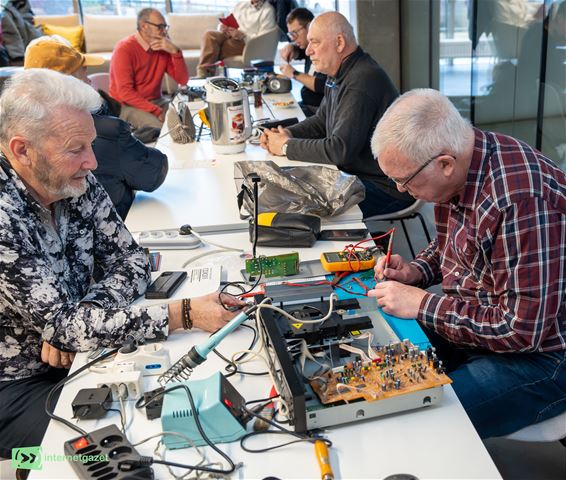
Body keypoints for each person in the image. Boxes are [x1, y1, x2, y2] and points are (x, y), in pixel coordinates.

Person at [0, 69, 244, 458]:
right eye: (76, 149)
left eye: (91, 145)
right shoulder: (4, 216)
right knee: (106, 455)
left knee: (164, 420)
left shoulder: (68, 176)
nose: (92, 162)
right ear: (22, 150)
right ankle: (29, 466)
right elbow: (65, 325)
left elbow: (132, 259)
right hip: (15, 384)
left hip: (78, 351)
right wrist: (183, 313)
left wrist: (77, 320)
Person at [367, 88, 566, 439]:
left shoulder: (519, 200)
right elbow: (454, 245)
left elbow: (521, 332)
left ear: (444, 163)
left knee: (421, 424)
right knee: (378, 354)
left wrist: (424, 303)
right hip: (482, 325)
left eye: (405, 181)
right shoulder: (463, 165)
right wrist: (416, 271)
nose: (399, 190)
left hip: (544, 355)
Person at [260, 12, 413, 218]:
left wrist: (286, 146)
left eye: (315, 42)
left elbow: (339, 150)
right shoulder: (340, 74)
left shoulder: (361, 80)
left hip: (387, 188)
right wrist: (286, 134)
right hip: (358, 176)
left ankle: (368, 246)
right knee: (288, 191)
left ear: (339, 43)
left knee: (300, 208)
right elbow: (321, 122)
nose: (308, 49)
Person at [24, 35, 168, 219]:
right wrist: (130, 140)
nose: (90, 81)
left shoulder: (18, 133)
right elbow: (153, 175)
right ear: (68, 82)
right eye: (84, 72)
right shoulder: (107, 131)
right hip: (114, 234)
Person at [109, 8, 189, 130]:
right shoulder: (124, 49)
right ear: (144, 26)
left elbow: (182, 80)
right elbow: (125, 92)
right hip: (127, 105)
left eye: (165, 27)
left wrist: (175, 52)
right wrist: (156, 111)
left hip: (157, 101)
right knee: (165, 129)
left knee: (186, 117)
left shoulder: (162, 46)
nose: (164, 32)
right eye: (160, 27)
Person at [197, 0, 276, 77]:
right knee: (209, 34)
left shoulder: (268, 11)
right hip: (230, 35)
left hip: (247, 43)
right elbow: (227, 20)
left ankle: (206, 73)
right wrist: (221, 27)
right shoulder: (240, 5)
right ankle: (204, 72)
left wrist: (243, 36)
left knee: (216, 46)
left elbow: (264, 39)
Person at [279, 7, 326, 116]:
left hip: (318, 111)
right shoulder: (307, 48)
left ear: (310, 26)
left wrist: (294, 73)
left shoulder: (324, 50)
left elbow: (322, 85)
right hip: (306, 105)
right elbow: (300, 52)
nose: (293, 38)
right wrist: (292, 47)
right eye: (291, 34)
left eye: (295, 33)